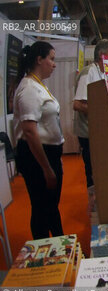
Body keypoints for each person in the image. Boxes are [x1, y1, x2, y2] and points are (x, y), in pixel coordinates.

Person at [13, 41, 64, 239]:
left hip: (48, 154)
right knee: (43, 207)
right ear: (39, 60)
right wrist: (47, 168)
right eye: (51, 59)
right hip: (36, 157)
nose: (54, 64)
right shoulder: (29, 89)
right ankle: (45, 248)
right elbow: (29, 131)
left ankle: (60, 245)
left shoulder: (38, 85)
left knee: (50, 205)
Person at [73, 39, 108, 213]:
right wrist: (102, 111)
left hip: (98, 132)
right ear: (102, 55)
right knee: (92, 170)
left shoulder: (102, 73)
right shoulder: (88, 72)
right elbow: (78, 104)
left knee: (99, 170)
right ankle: (93, 207)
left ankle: (100, 202)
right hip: (89, 133)